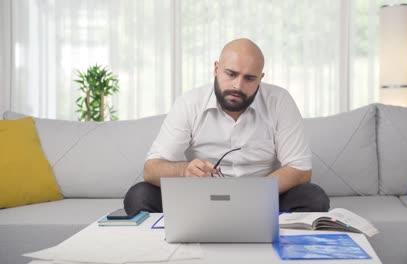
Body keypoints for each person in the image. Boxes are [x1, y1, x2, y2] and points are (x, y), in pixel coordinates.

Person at [124, 38, 330, 213]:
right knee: (139, 195)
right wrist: (185, 171)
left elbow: (301, 170)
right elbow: (151, 170)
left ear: (261, 78)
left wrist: (253, 193)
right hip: (198, 199)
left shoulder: (280, 101)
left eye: (249, 78)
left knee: (314, 197)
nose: (237, 86)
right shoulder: (189, 103)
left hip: (261, 199)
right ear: (216, 69)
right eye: (231, 74)